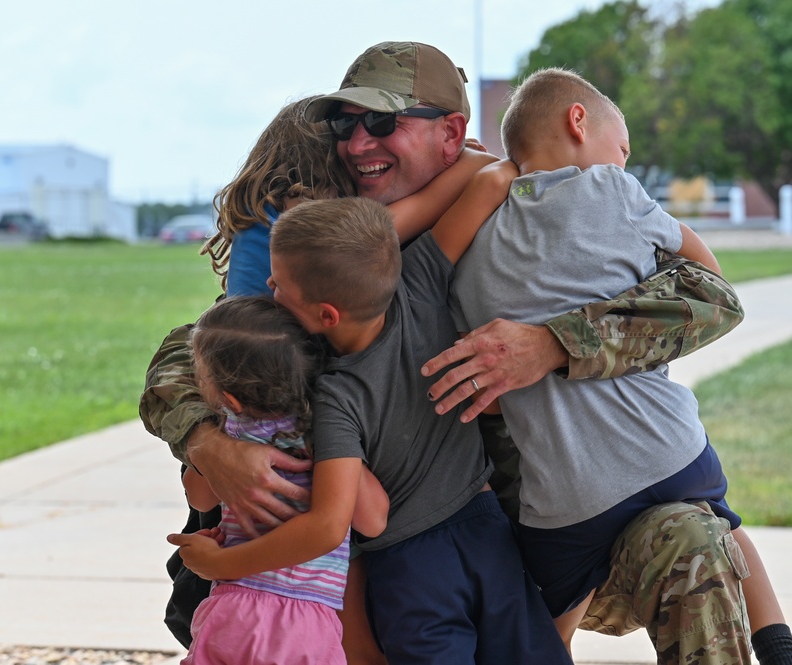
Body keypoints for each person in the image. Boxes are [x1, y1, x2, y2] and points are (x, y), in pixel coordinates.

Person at [143, 41, 750, 664]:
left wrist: (554, 343)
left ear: (452, 134)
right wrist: (211, 445)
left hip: (536, 535)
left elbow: (707, 296)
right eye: (346, 125)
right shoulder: (335, 251)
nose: (357, 144)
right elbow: (188, 352)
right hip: (348, 571)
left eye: (384, 123)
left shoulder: (518, 211)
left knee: (694, 538)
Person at [446, 67, 792, 665]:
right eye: (624, 147)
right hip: (664, 453)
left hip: (556, 507)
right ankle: (782, 652)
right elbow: (712, 285)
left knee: (549, 626)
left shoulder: (472, 243)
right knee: (720, 520)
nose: (623, 161)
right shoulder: (612, 191)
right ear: (578, 121)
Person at [150, 90, 494, 660]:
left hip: (278, 501)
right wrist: (461, 171)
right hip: (317, 455)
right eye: (348, 135)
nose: (361, 145)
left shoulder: (270, 232)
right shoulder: (308, 237)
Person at [174, 196, 573, 664]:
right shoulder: (418, 283)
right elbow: (484, 180)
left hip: (410, 562)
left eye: (279, 285)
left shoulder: (334, 398)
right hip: (483, 523)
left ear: (327, 316)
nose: (268, 287)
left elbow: (338, 522)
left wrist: (220, 564)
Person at [177, 295, 389, 664]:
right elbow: (373, 520)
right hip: (311, 622)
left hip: (238, 609)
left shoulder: (230, 437)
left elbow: (200, 498)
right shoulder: (328, 437)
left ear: (229, 399)